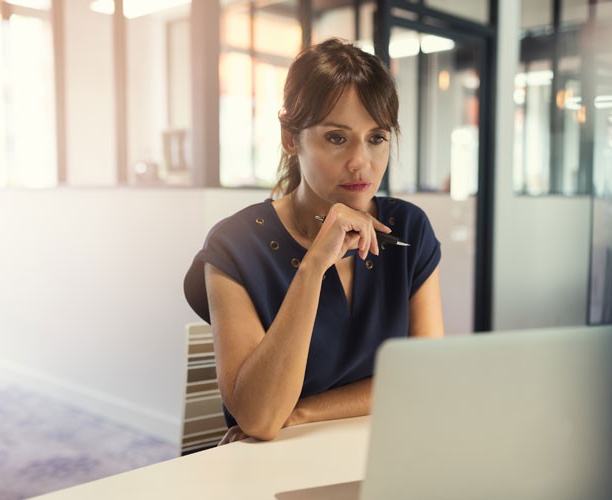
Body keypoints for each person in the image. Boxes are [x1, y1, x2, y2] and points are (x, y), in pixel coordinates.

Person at [183, 38, 444, 442]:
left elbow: (426, 379)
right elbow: (258, 418)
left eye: (376, 138)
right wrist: (312, 266)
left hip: (378, 453)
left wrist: (302, 412)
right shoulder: (235, 246)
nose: (362, 162)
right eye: (337, 138)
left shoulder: (407, 230)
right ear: (291, 138)